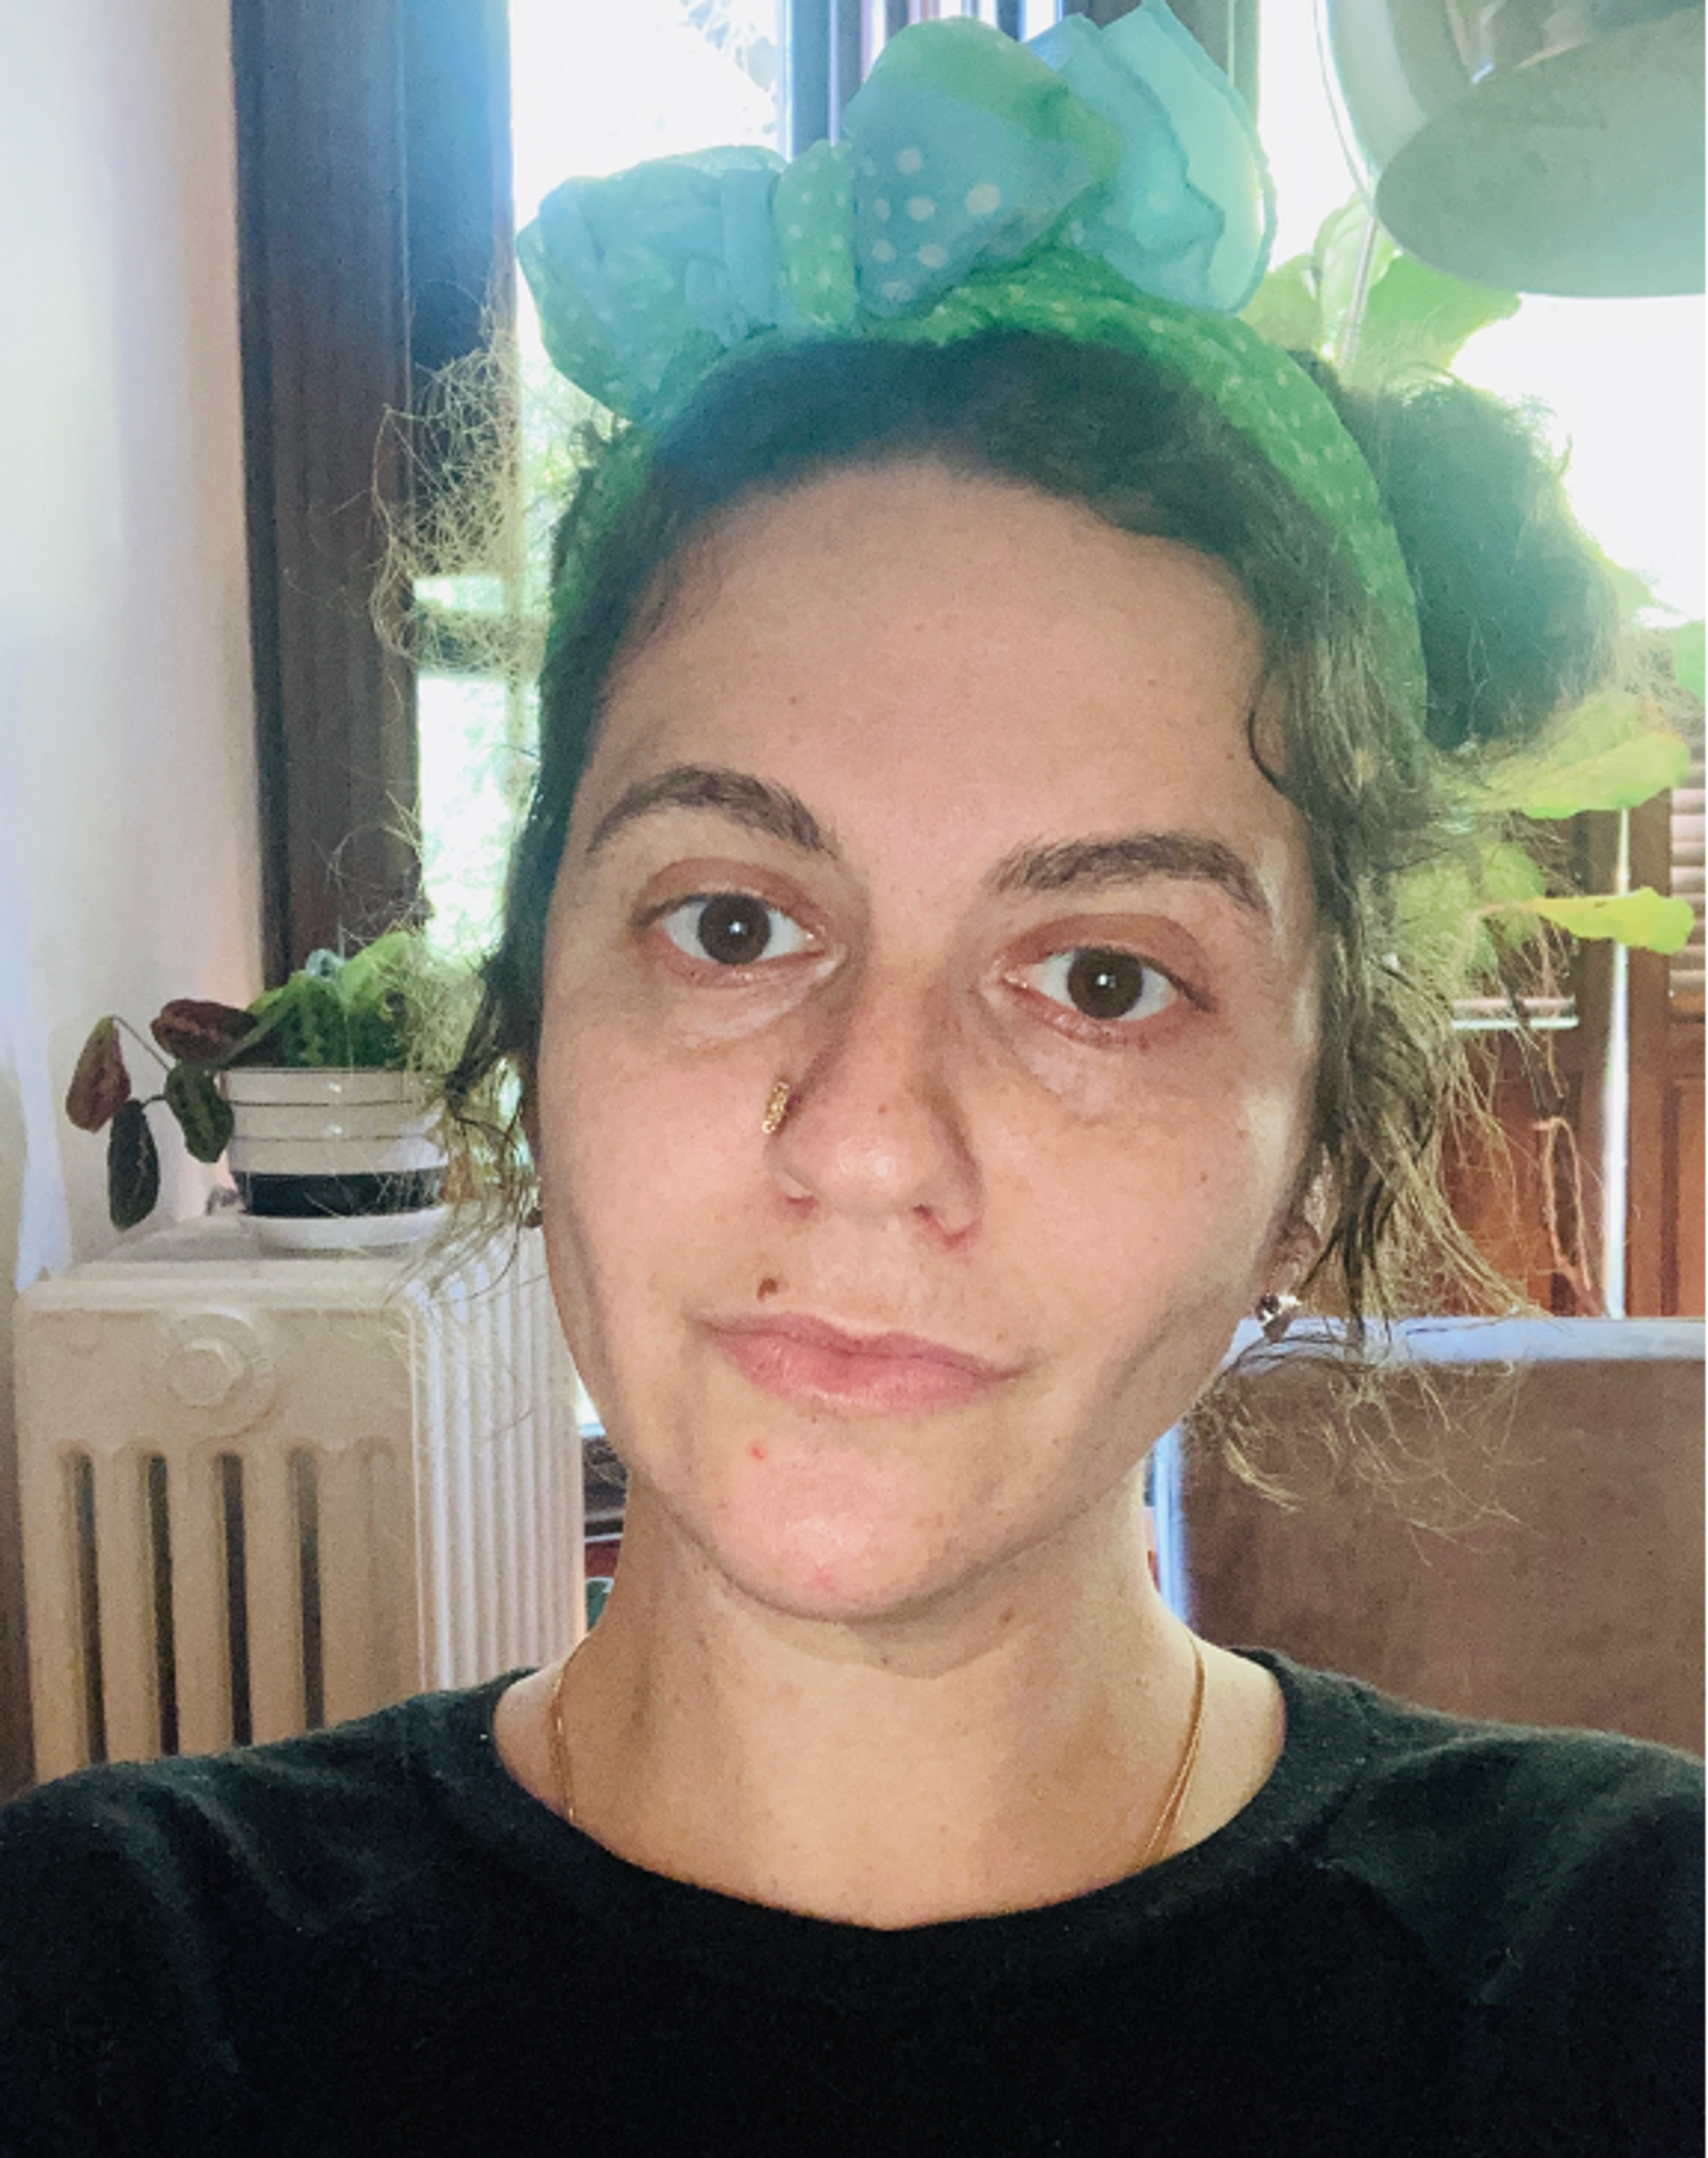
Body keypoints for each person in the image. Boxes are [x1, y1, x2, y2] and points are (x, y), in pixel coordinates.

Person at [3, 13, 1704, 2154]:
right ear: (534, 1025)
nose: (872, 1133)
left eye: (1100, 975)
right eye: (731, 923)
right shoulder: (103, 1989)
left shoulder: (1627, 1980)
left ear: (1316, 1157)